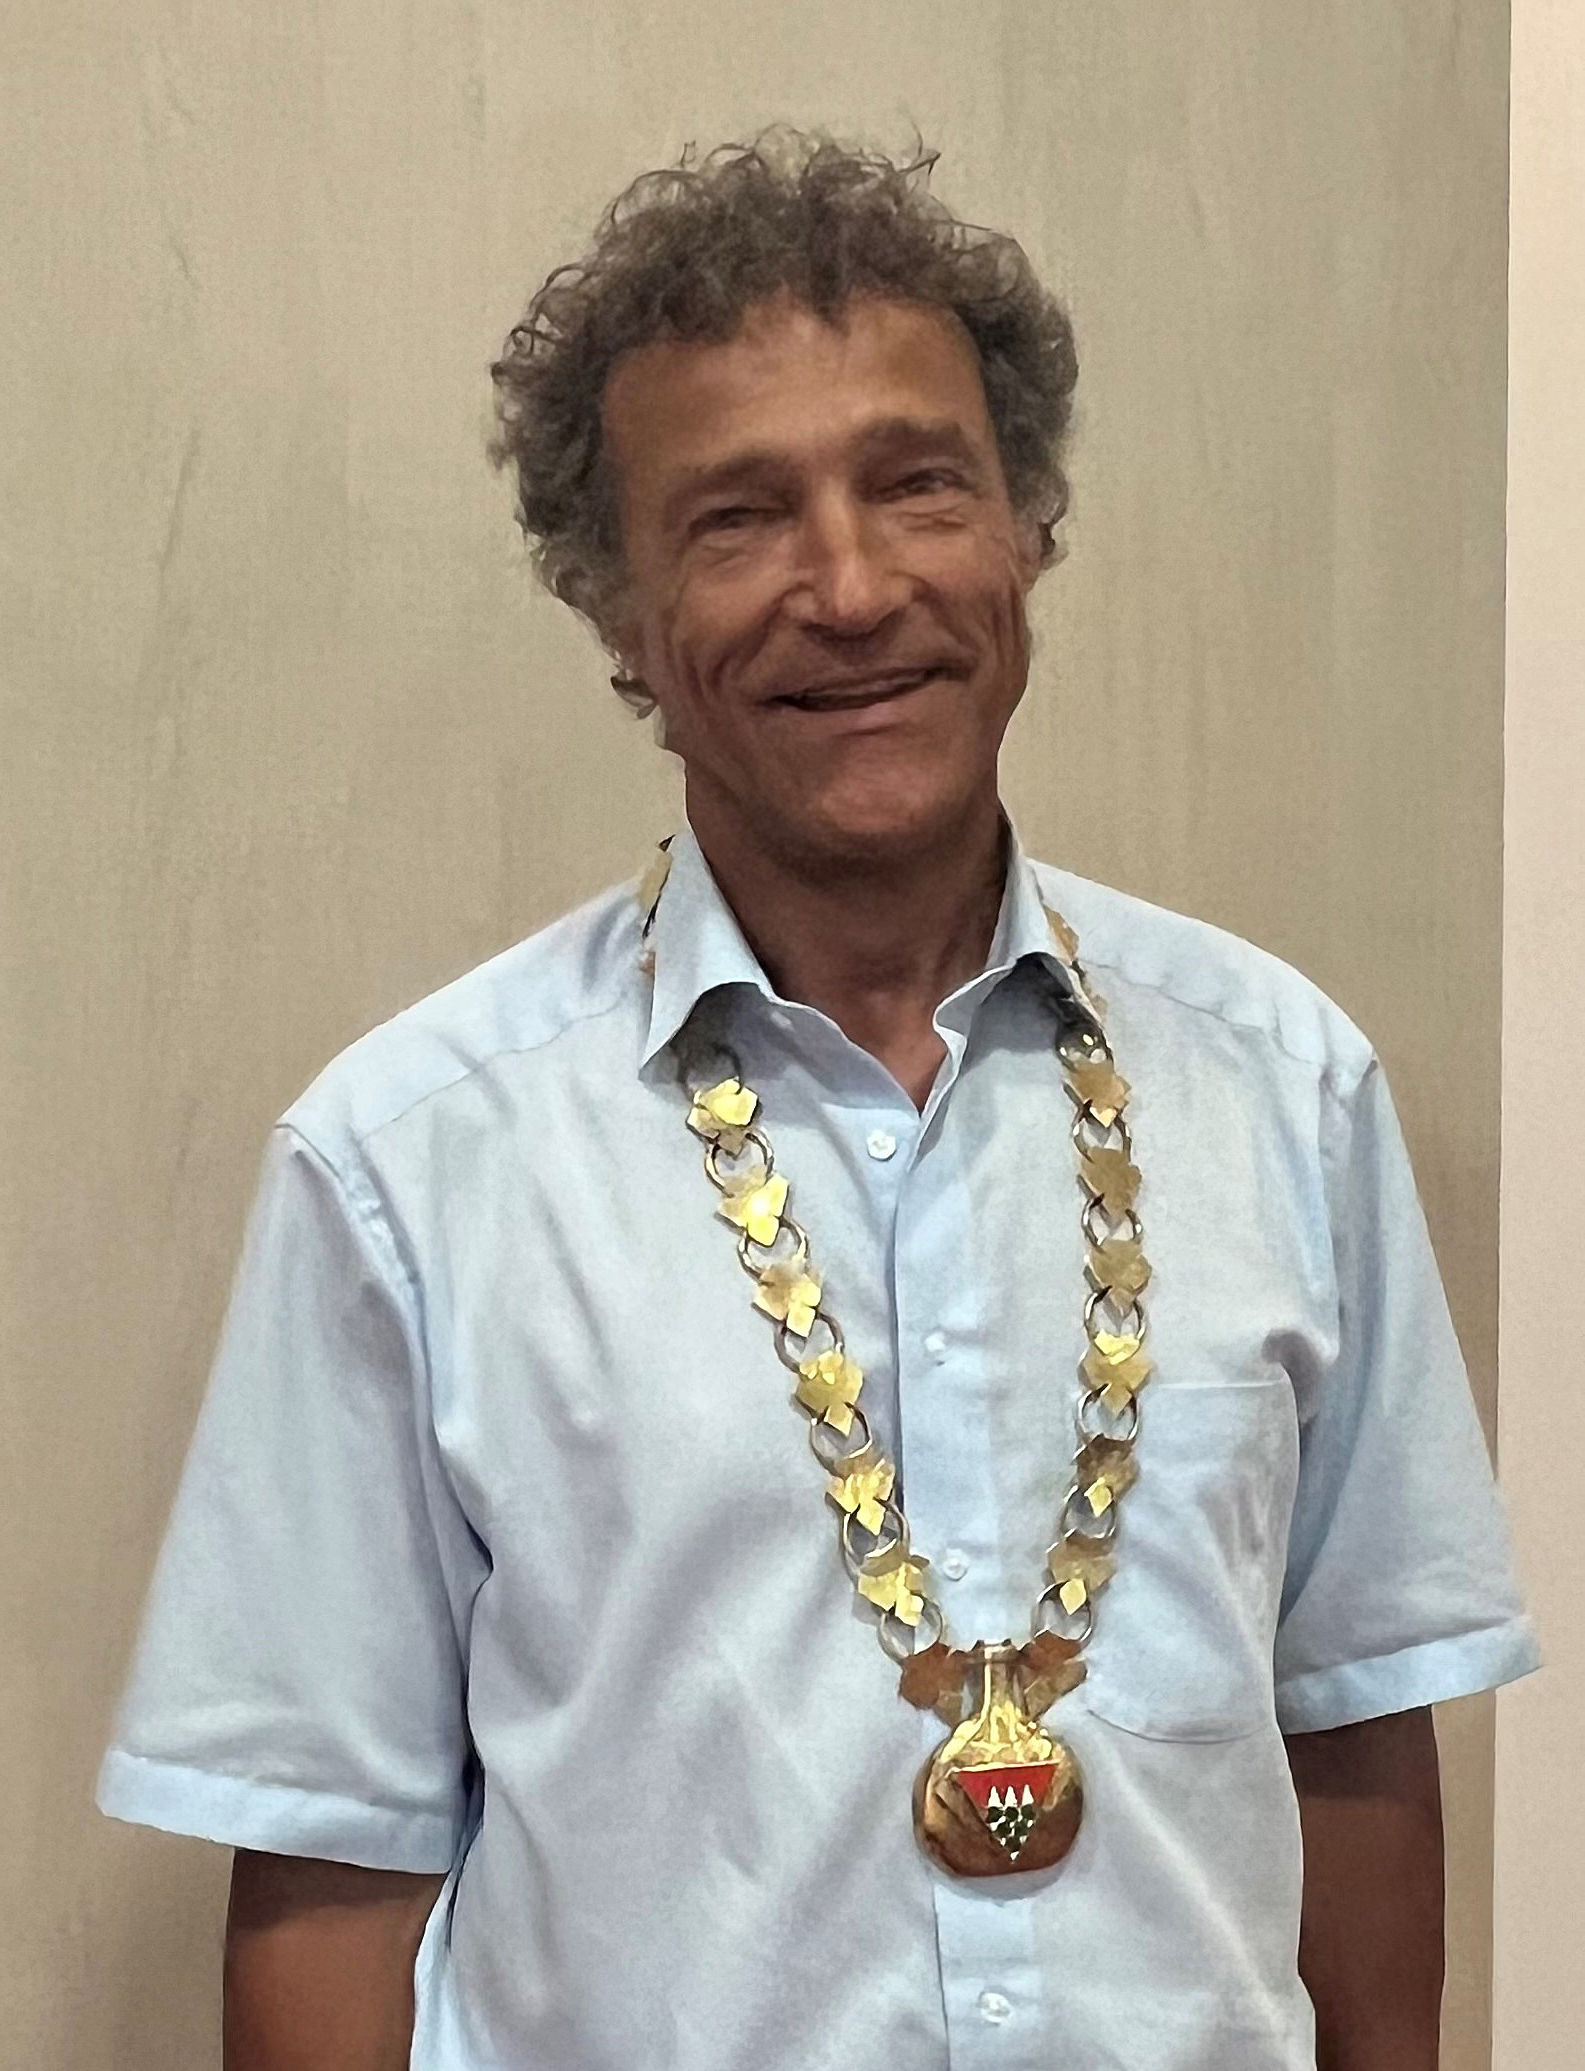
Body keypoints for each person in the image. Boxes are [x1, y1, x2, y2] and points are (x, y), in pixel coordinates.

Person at [97, 130, 1538, 2071]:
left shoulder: (1282, 1086)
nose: (850, 588)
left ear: (1023, 532)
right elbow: (328, 1873)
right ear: (614, 614)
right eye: (736, 519)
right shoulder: (409, 1164)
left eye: (917, 483)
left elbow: (1352, 1734)